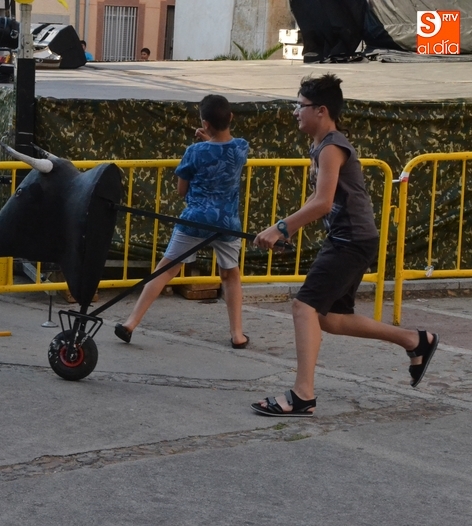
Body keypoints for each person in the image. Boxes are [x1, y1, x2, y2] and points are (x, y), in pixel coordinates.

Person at [251, 73, 439, 417]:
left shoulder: (332, 147)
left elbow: (323, 203)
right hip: (349, 238)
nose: (295, 111)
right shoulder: (322, 146)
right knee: (332, 319)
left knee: (303, 307)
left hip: (350, 240)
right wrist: (283, 229)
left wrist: (281, 228)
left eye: (300, 105)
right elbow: (318, 198)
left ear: (321, 110)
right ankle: (415, 340)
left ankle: (303, 395)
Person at [115, 94, 249, 349]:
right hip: (227, 222)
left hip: (195, 219)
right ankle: (237, 335)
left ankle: (130, 323)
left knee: (165, 269)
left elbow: (181, 190)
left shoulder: (194, 152)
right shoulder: (241, 147)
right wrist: (210, 138)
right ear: (231, 117)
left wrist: (205, 143)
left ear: (205, 123)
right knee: (230, 275)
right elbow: (225, 149)